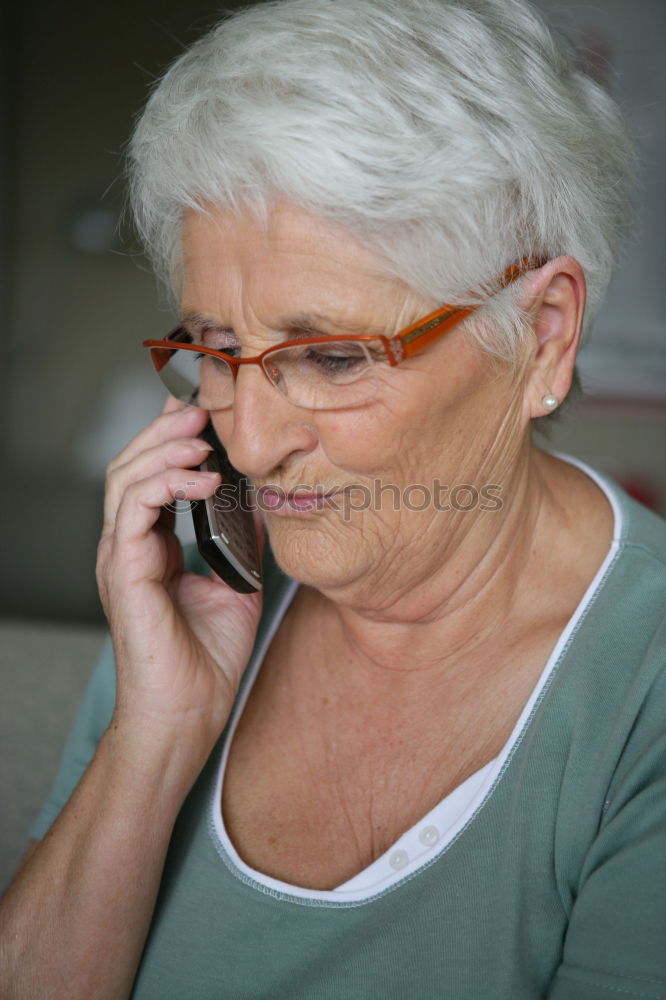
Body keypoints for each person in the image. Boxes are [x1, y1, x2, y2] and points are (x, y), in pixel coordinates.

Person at [2, 0, 665, 997]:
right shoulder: (202, 595)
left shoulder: (641, 693)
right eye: (217, 354)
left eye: (333, 358)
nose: (252, 444)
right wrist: (153, 734)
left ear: (545, 336)